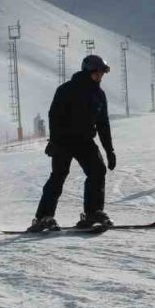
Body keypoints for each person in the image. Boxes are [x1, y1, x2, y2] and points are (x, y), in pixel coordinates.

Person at [27, 55, 117, 232]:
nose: (100, 77)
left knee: (97, 170)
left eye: (102, 74)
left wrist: (109, 151)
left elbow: (103, 124)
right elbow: (54, 115)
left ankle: (93, 212)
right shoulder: (67, 89)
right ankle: (43, 217)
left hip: (84, 141)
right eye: (98, 73)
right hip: (63, 140)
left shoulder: (99, 95)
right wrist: (54, 141)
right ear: (89, 71)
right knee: (59, 176)